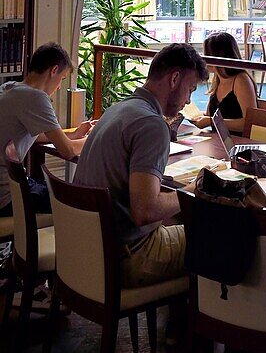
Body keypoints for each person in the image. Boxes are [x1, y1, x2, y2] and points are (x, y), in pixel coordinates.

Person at [74, 43, 208, 287]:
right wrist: (193, 191)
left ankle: (176, 322)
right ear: (175, 79)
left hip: (90, 250)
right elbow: (145, 211)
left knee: (181, 222)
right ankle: (200, 323)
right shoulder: (152, 125)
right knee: (216, 235)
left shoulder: (118, 109)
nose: (188, 100)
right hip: (128, 256)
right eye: (190, 90)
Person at [0, 42, 93, 217]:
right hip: (8, 197)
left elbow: (33, 134)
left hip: (10, 186)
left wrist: (73, 134)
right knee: (82, 202)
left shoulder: (10, 88)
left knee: (56, 189)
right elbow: (67, 151)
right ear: (54, 70)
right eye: (62, 78)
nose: (59, 87)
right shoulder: (35, 97)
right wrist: (95, 136)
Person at [189, 31, 256, 133]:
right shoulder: (217, 79)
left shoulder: (241, 80)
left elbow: (249, 123)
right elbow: (209, 115)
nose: (204, 59)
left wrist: (211, 121)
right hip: (219, 140)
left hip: (237, 142)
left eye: (207, 54)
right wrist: (194, 116)